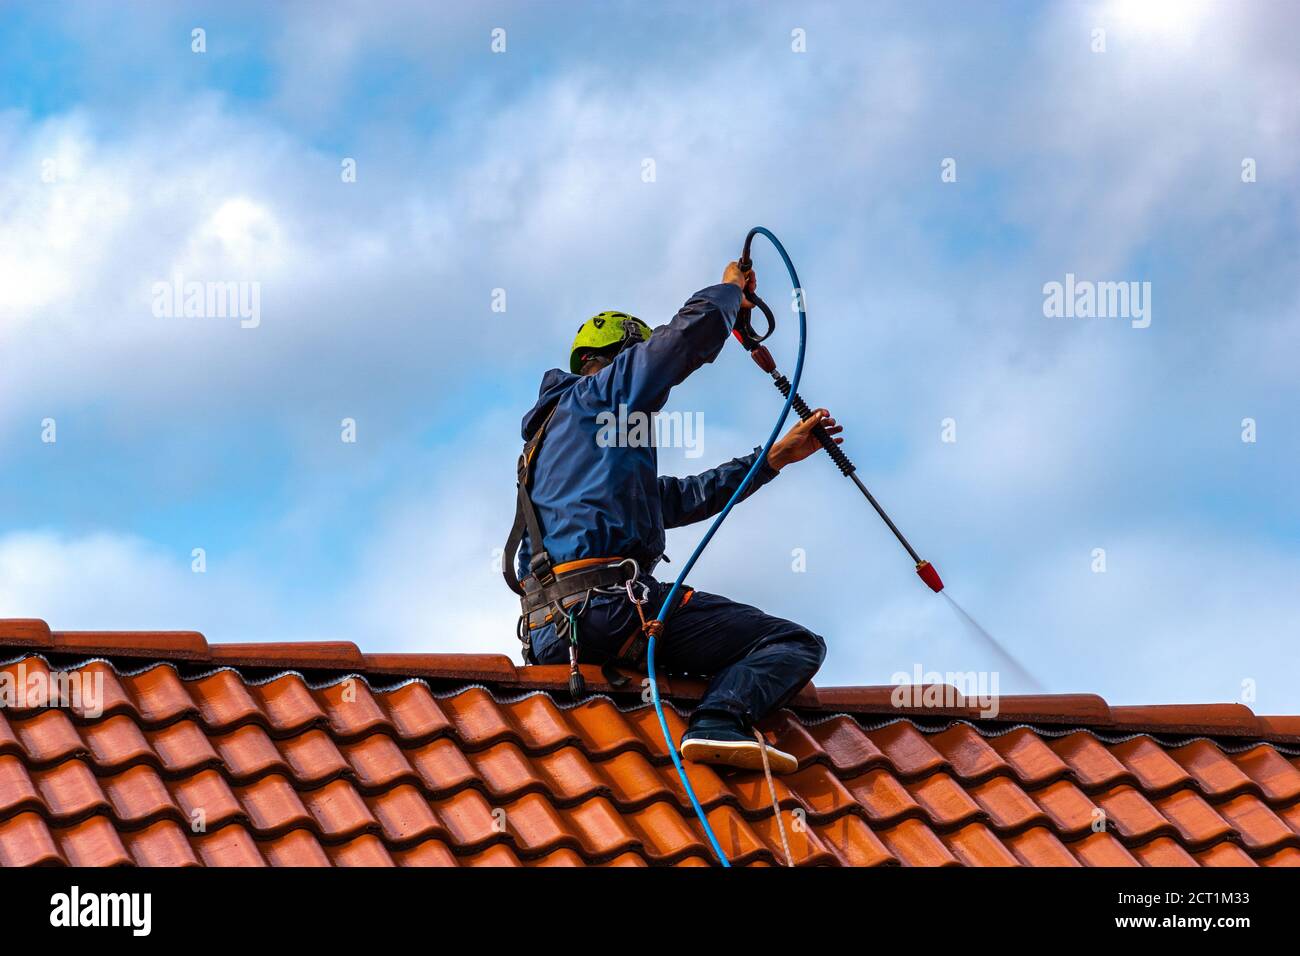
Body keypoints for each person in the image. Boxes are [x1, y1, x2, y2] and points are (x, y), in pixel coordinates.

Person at [504, 261, 839, 773]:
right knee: (792, 643)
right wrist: (729, 293)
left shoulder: (557, 455)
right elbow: (683, 340)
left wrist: (775, 457)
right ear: (613, 361)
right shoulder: (597, 399)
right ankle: (719, 722)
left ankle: (708, 710)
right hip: (610, 608)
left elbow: (683, 498)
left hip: (549, 632)